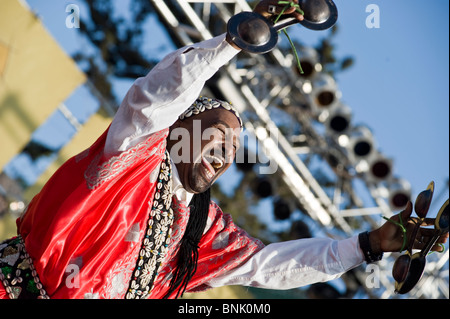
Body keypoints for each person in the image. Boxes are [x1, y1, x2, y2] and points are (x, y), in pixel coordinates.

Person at [0, 0, 447, 299]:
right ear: (176, 132)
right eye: (216, 133)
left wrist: (366, 245)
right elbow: (155, 97)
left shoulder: (201, 233)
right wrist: (231, 42)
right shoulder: (133, 154)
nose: (226, 151)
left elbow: (270, 267)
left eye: (234, 147)